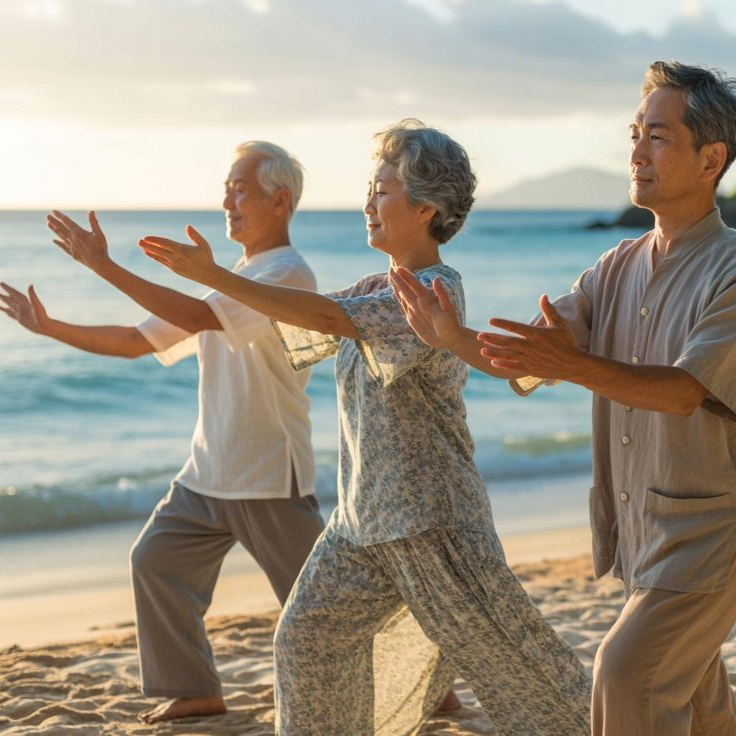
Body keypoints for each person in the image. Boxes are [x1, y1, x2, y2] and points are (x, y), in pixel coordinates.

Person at [136, 119, 591, 736]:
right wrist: (214, 289)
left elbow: (325, 314)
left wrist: (215, 276)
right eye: (370, 189)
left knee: (521, 667)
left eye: (382, 190)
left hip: (432, 525)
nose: (368, 203)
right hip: (361, 524)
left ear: (426, 208)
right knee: (305, 643)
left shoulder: (434, 293)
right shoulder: (377, 287)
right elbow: (311, 321)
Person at [391, 61, 736, 736]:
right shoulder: (615, 266)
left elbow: (683, 393)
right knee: (697, 705)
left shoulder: (731, 270)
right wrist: (451, 336)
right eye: (635, 133)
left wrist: (571, 365)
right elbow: (528, 361)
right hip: (642, 534)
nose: (636, 151)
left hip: (711, 538)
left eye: (658, 137)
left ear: (710, 159)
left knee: (626, 675)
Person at [0, 141, 325, 724]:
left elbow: (198, 319)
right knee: (156, 561)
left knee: (327, 604)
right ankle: (194, 689)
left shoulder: (286, 273)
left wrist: (105, 266)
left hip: (270, 474)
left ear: (280, 201)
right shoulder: (236, 278)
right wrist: (48, 327)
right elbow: (135, 341)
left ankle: (430, 685)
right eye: (227, 187)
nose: (228, 199)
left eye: (240, 188)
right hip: (208, 472)